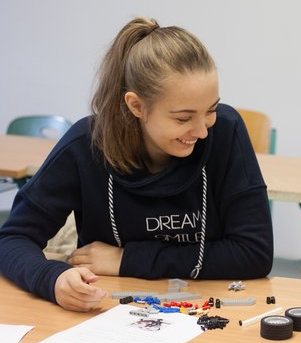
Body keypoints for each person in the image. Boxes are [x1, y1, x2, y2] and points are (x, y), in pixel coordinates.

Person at [0, 17, 273, 312]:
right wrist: (52, 278)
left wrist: (127, 259)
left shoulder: (226, 132)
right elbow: (12, 239)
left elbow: (254, 253)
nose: (203, 130)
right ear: (136, 106)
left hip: (207, 310)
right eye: (183, 118)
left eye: (211, 110)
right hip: (110, 314)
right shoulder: (86, 144)